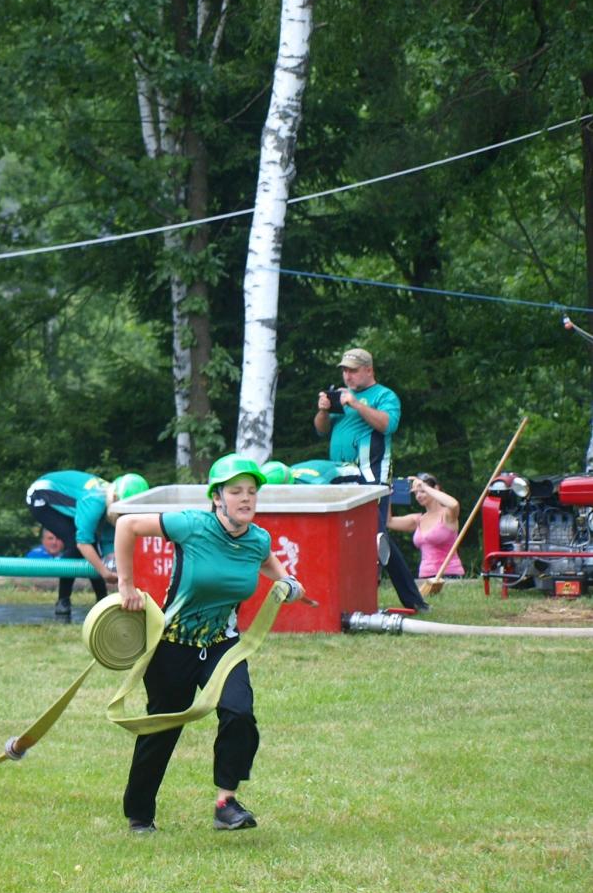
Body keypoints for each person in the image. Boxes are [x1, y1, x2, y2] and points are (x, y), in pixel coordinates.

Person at [112, 454, 304, 834]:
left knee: (239, 713)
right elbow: (126, 525)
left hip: (222, 645)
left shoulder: (258, 539)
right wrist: (126, 585)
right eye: (236, 491)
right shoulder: (191, 525)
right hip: (173, 644)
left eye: (251, 492)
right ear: (217, 497)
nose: (246, 498)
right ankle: (140, 814)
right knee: (162, 729)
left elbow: (271, 566)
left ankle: (225, 803)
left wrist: (289, 583)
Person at [313, 347, 428, 613]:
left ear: (369, 370)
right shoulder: (341, 395)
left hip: (371, 478)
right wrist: (323, 411)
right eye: (345, 371)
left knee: (376, 536)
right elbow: (321, 430)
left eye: (353, 371)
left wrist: (355, 404)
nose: (348, 376)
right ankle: (352, 597)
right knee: (350, 537)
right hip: (341, 476)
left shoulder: (384, 396)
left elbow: (387, 425)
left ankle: (412, 600)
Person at [25, 471, 150, 617]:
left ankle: (101, 600)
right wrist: (104, 572)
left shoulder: (109, 502)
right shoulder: (95, 501)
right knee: (75, 543)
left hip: (68, 498)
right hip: (41, 497)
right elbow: (83, 543)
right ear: (116, 499)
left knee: (91, 545)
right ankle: (64, 600)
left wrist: (113, 563)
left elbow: (108, 541)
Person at [387, 473, 464, 580]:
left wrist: (424, 486)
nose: (418, 496)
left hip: (449, 574)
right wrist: (388, 496)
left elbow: (454, 504)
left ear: (436, 489)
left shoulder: (447, 515)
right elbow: (389, 522)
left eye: (422, 491)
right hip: (425, 576)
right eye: (416, 492)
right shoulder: (418, 520)